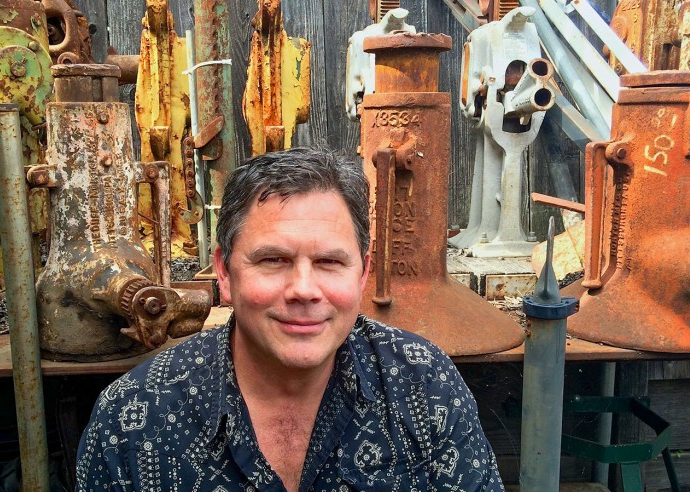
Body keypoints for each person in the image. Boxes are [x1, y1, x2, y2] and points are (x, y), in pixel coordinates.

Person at [76, 147, 504, 491]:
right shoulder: (134, 418)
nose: (304, 289)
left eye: (330, 262)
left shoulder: (423, 386)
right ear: (224, 273)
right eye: (274, 260)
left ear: (363, 274)